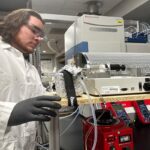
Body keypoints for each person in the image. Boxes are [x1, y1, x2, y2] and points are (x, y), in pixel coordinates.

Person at [0, 8, 61, 150]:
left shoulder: (31, 69)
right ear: (15, 25)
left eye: (41, 35)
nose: (39, 38)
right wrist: (9, 112)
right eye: (34, 30)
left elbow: (40, 96)